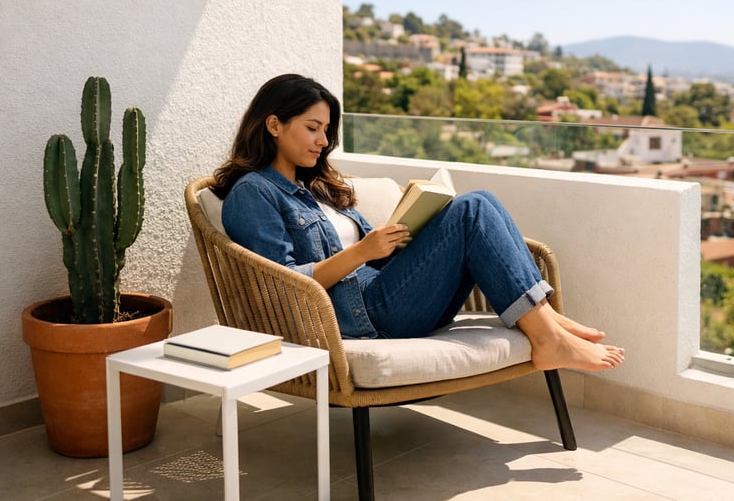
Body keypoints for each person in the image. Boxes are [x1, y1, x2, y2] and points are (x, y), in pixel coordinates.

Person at [212, 74, 624, 372]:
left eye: (326, 131)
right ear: (274, 125)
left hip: (386, 294)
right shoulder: (254, 193)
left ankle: (544, 315)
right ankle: (547, 332)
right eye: (312, 128)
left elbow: (370, 259)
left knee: (482, 202)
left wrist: (399, 241)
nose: (323, 141)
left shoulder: (317, 186)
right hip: (363, 318)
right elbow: (282, 284)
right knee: (474, 208)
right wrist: (363, 251)